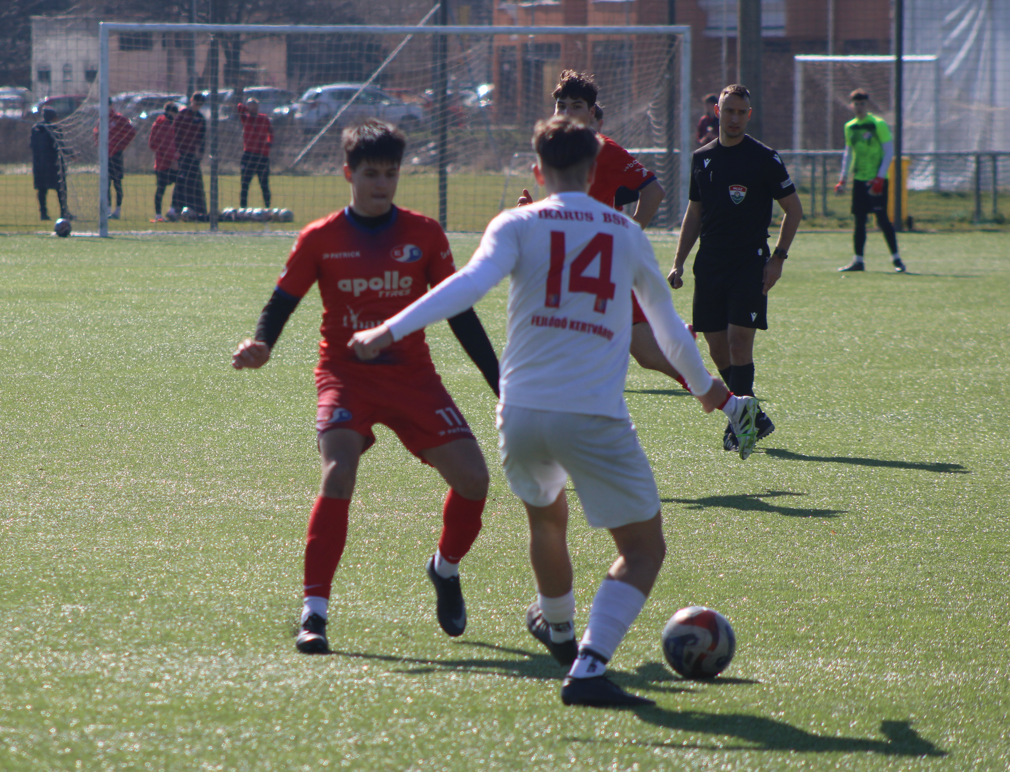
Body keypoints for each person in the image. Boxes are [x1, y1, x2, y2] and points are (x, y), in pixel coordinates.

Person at [350, 116, 758, 707]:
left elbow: (466, 286)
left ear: (538, 172)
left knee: (547, 522)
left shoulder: (516, 222)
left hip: (519, 413)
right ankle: (588, 666)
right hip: (591, 413)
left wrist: (387, 328)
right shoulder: (624, 231)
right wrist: (710, 393)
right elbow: (669, 330)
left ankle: (560, 628)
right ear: (593, 173)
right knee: (643, 550)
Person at [231, 119, 500, 655]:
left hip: (412, 377)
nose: (381, 184)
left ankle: (445, 568)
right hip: (345, 376)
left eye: (390, 174)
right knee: (338, 474)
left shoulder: (425, 234)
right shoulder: (320, 237)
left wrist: (502, 383)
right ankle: (314, 613)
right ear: (348, 173)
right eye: (371, 174)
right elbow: (282, 302)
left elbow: (460, 314)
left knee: (474, 480)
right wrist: (262, 344)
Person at [520, 70, 700, 404]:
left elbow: (654, 192)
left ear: (591, 113)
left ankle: (721, 396)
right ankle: (716, 389)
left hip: (597, 268)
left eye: (576, 106)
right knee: (638, 352)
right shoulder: (557, 149)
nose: (566, 112)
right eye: (561, 105)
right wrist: (533, 212)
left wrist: (627, 235)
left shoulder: (603, 150)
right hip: (576, 267)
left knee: (623, 351)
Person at [668, 84, 803, 453]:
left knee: (739, 343)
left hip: (749, 264)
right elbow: (695, 212)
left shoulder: (764, 158)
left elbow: (793, 210)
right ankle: (754, 416)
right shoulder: (702, 158)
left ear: (749, 115)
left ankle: (740, 425)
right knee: (717, 349)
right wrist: (679, 261)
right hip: (709, 264)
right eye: (729, 111)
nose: (734, 118)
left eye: (741, 112)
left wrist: (778, 258)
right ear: (717, 111)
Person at [835, 89, 906, 273]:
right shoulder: (850, 126)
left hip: (876, 181)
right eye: (856, 104)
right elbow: (849, 153)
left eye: (862, 104)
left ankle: (897, 259)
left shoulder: (877, 124)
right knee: (859, 220)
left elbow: (889, 151)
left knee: (882, 219)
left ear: (867, 105)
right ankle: (858, 261)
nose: (859, 107)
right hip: (860, 179)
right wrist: (843, 179)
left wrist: (880, 177)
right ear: (851, 105)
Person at [94, 106, 137, 220]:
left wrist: (121, 145)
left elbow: (131, 131)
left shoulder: (119, 119)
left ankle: (117, 210)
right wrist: (98, 143)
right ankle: (107, 210)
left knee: (117, 184)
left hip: (116, 156)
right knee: (106, 184)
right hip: (105, 157)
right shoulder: (101, 119)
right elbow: (96, 132)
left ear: (111, 106)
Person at [234, 86, 274, 209]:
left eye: (255, 107)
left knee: (264, 184)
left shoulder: (264, 118)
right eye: (251, 107)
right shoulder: (246, 118)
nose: (254, 109)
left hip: (262, 156)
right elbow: (239, 107)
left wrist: (269, 144)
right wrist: (248, 109)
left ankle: (267, 208)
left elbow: (271, 132)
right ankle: (243, 208)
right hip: (249, 154)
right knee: (245, 184)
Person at [30, 107, 70, 221]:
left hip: (39, 164)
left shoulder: (35, 129)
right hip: (54, 164)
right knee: (60, 188)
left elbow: (31, 145)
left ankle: (43, 213)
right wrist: (71, 154)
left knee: (42, 189)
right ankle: (63, 212)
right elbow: (60, 146)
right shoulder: (54, 129)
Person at [173, 92, 208, 217]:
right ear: (192, 101)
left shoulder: (200, 118)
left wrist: (200, 152)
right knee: (181, 180)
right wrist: (175, 150)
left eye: (200, 104)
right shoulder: (182, 114)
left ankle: (198, 208)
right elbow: (175, 132)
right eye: (196, 103)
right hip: (181, 153)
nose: (197, 106)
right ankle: (176, 208)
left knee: (195, 181)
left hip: (192, 154)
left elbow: (202, 138)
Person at [148, 102, 180, 223]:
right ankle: (171, 210)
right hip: (167, 163)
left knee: (161, 189)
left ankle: (159, 214)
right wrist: (173, 159)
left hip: (159, 162)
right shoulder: (166, 125)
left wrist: (159, 152)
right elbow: (168, 145)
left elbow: (152, 144)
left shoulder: (157, 123)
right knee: (178, 183)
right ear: (171, 112)